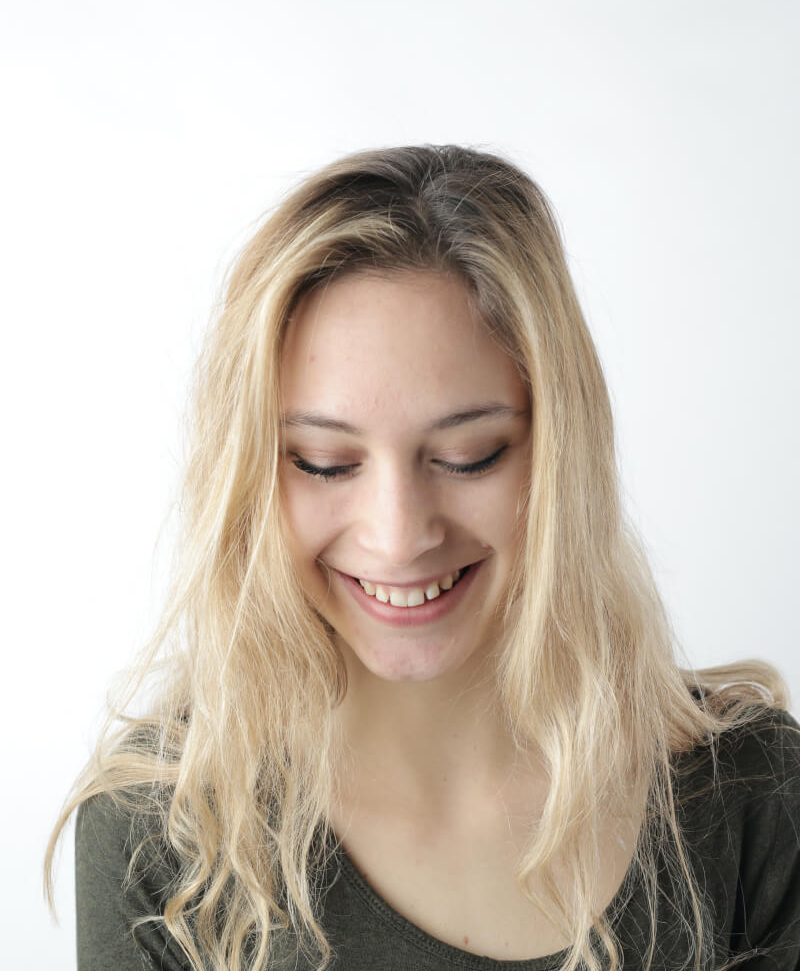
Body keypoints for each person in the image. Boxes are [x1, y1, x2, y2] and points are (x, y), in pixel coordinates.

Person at [46, 145, 800, 971]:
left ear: (565, 450)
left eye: (469, 456)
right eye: (324, 464)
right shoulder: (158, 837)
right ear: (247, 472)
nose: (399, 536)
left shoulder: (754, 795)